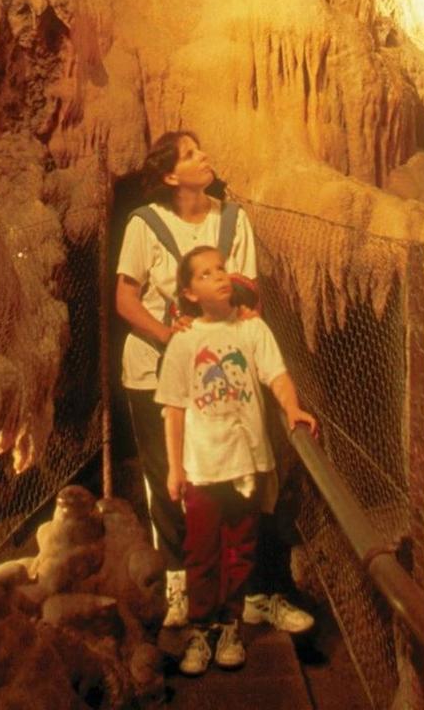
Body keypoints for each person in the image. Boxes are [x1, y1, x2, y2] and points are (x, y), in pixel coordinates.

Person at [114, 130, 259, 627]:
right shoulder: (145, 226)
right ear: (172, 176)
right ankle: (178, 581)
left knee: (219, 477)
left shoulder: (233, 221)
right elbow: (126, 298)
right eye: (192, 154)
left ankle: (224, 589)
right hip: (152, 370)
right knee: (167, 476)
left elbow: (244, 293)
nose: (205, 156)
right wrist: (166, 334)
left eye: (203, 148)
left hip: (217, 376)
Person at [157, 244, 317, 675]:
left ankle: (228, 627)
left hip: (245, 463)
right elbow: (172, 409)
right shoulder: (184, 342)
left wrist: (292, 408)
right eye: (206, 274)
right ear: (189, 293)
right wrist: (175, 468)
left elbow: (276, 374)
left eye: (221, 269)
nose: (220, 276)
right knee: (202, 552)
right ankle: (200, 629)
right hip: (203, 467)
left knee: (240, 549)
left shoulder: (252, 330)